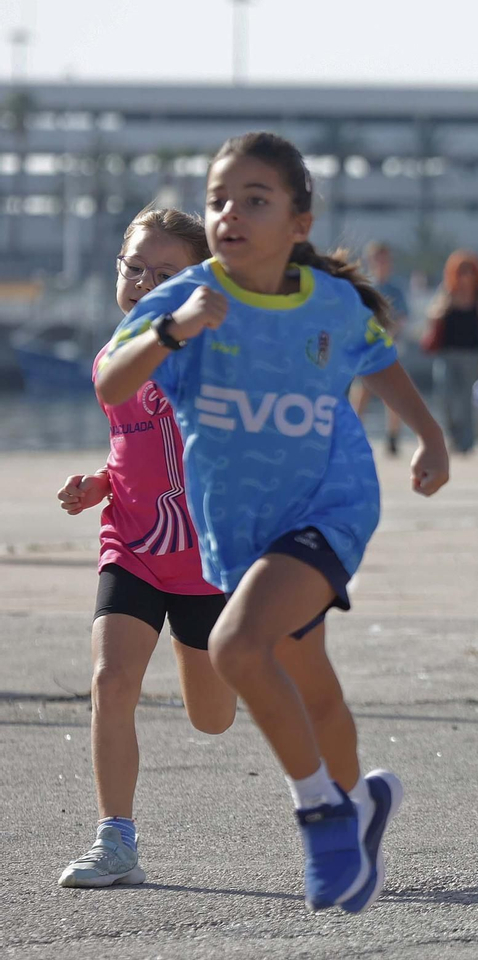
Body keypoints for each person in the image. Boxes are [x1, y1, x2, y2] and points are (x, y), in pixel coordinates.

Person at [96, 131, 450, 914]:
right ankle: (362, 807)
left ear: (299, 219)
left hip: (329, 506)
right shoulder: (182, 302)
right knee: (309, 683)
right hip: (240, 528)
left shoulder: (329, 303)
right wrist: (172, 330)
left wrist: (429, 434)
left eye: (255, 199)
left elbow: (378, 356)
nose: (231, 213)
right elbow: (113, 383)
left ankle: (321, 816)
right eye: (219, 199)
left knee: (235, 645)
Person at [54, 207, 237, 889]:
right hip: (130, 543)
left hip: (206, 560)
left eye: (164, 274)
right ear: (117, 272)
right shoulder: (113, 356)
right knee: (111, 680)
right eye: (135, 268)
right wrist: (99, 483)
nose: (142, 282)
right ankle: (115, 838)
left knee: (212, 717)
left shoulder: (211, 358)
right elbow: (131, 443)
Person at [426, 250, 478, 454]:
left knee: (465, 400)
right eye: (461, 271)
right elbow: (431, 316)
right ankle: (452, 434)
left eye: (469, 271)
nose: (465, 276)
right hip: (446, 353)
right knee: (444, 395)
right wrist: (446, 305)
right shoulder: (447, 293)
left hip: (470, 354)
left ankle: (467, 441)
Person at [350, 242, 411, 456]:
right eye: (378, 259)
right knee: (361, 393)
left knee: (392, 395)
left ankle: (393, 437)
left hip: (388, 348)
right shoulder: (365, 287)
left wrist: (387, 336)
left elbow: (402, 317)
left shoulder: (396, 289)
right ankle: (353, 435)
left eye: (385, 259)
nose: (382, 263)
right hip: (366, 349)